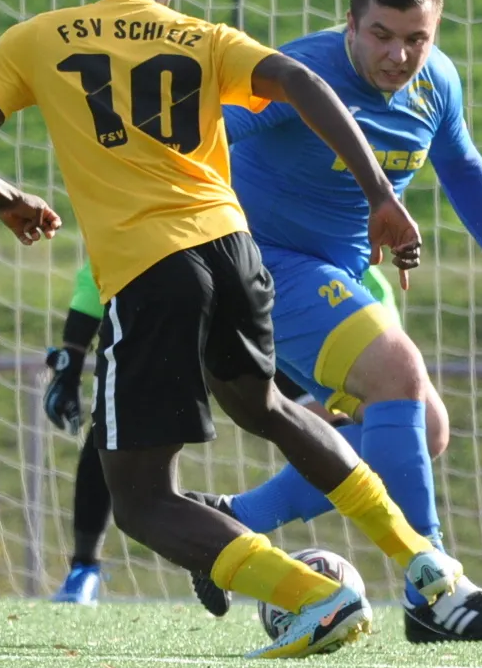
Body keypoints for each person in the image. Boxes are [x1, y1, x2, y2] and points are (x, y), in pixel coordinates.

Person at [0, 0, 468, 659]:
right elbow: (300, 79)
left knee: (141, 500)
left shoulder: (35, 39)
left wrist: (3, 196)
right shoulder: (204, 38)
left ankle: (314, 596)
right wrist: (380, 194)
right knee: (269, 408)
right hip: (235, 252)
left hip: (151, 271)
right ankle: (420, 556)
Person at [193, 0, 482, 643]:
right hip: (262, 262)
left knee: (426, 428)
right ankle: (435, 589)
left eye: (417, 38)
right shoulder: (299, 72)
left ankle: (234, 519)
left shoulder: (436, 83)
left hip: (340, 272)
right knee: (398, 372)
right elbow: (200, 132)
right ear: (351, 24)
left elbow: (462, 166)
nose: (399, 55)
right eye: (382, 35)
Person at [45, 257, 397, 612]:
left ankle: (239, 519)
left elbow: (379, 328)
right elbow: (102, 270)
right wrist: (71, 359)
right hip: (194, 315)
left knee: (373, 430)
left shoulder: (350, 264)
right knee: (118, 432)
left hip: (278, 327)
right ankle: (84, 569)